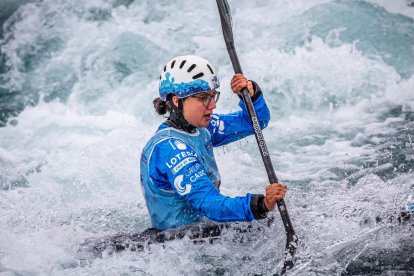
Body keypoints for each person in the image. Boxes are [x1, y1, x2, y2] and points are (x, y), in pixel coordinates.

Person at [140, 55, 287, 230]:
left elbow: (256, 122)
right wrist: (261, 205)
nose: (212, 106)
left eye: (212, 96)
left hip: (204, 231)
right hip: (178, 244)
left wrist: (250, 95)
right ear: (176, 100)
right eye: (203, 98)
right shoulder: (170, 149)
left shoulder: (202, 128)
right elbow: (210, 204)